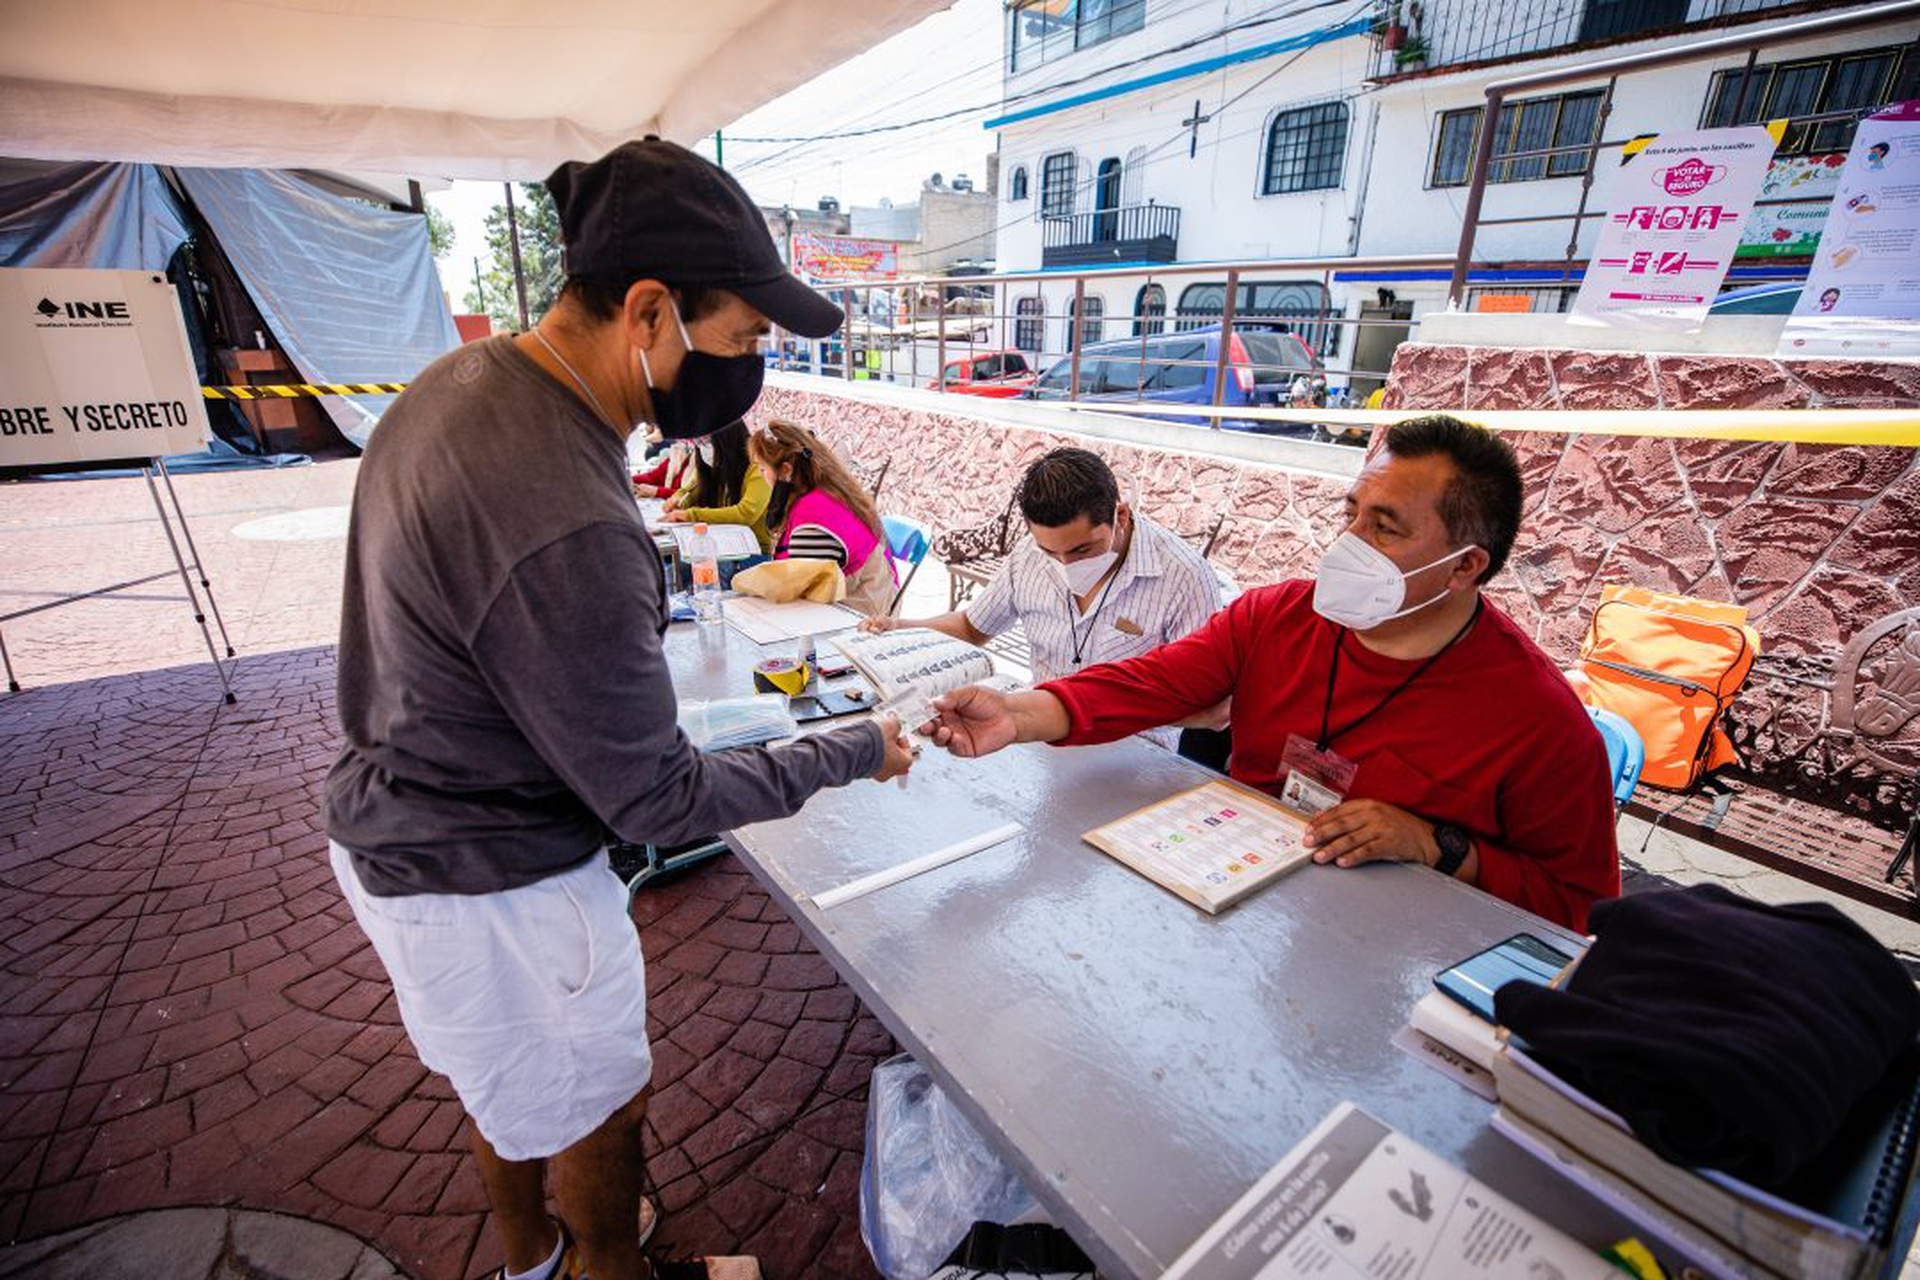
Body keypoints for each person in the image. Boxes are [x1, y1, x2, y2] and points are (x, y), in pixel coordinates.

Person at [325, 138, 916, 1280]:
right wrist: (853, 747)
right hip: (499, 875)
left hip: (400, 829)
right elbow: (654, 793)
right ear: (649, 312)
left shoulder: (458, 386)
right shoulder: (569, 504)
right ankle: (611, 1263)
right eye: (742, 338)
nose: (749, 369)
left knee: (501, 1080)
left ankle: (533, 1252)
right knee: (600, 1098)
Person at [921, 415, 1620, 932]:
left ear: (1467, 564)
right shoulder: (1275, 617)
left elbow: (1580, 908)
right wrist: (1017, 715)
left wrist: (1440, 846)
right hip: (1236, 893)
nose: (1349, 542)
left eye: (1384, 526)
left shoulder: (1540, 723)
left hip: (1393, 951)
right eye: (1350, 513)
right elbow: (1148, 684)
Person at [861, 447, 1220, 750]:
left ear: (1120, 515)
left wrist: (1099, 708)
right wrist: (901, 629)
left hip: (1136, 755)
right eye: (1051, 552)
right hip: (1039, 740)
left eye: (1082, 549)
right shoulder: (1027, 556)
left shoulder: (1184, 577)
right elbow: (973, 626)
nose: (1066, 565)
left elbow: (1216, 709)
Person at [748, 418, 897, 617]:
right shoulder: (827, 492)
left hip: (861, 617)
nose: (761, 475)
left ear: (785, 471)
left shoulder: (812, 515)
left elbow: (806, 599)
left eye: (762, 468)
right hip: (871, 601)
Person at [659, 419, 774, 554]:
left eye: (706, 443)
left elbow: (746, 513)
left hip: (753, 552)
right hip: (721, 546)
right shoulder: (716, 467)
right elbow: (690, 490)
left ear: (728, 440)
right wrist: (678, 500)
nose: (703, 449)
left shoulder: (757, 467)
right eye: (698, 443)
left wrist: (690, 515)